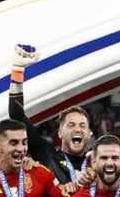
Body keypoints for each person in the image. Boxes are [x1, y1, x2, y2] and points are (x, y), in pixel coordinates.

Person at [8, 44, 93, 184]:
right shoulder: (47, 154)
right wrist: (17, 70)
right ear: (60, 132)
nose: (77, 129)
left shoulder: (98, 162)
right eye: (71, 125)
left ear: (90, 134)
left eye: (82, 125)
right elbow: (16, 115)